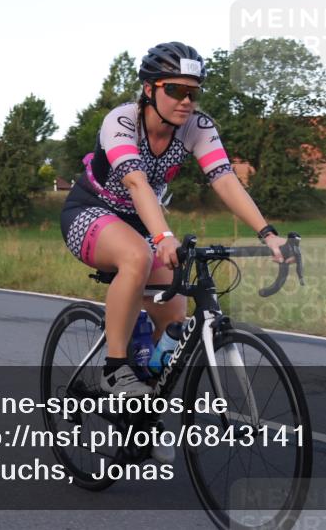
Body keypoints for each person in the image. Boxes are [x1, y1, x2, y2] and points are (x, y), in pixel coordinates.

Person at [60, 41, 291, 399]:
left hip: (144, 222)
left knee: (174, 318)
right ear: (149, 89)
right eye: (175, 90)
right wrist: (164, 235)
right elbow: (135, 181)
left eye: (193, 92)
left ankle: (142, 413)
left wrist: (268, 234)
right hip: (91, 212)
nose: (186, 100)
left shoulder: (197, 126)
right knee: (137, 255)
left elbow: (225, 180)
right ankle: (114, 368)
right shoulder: (122, 121)